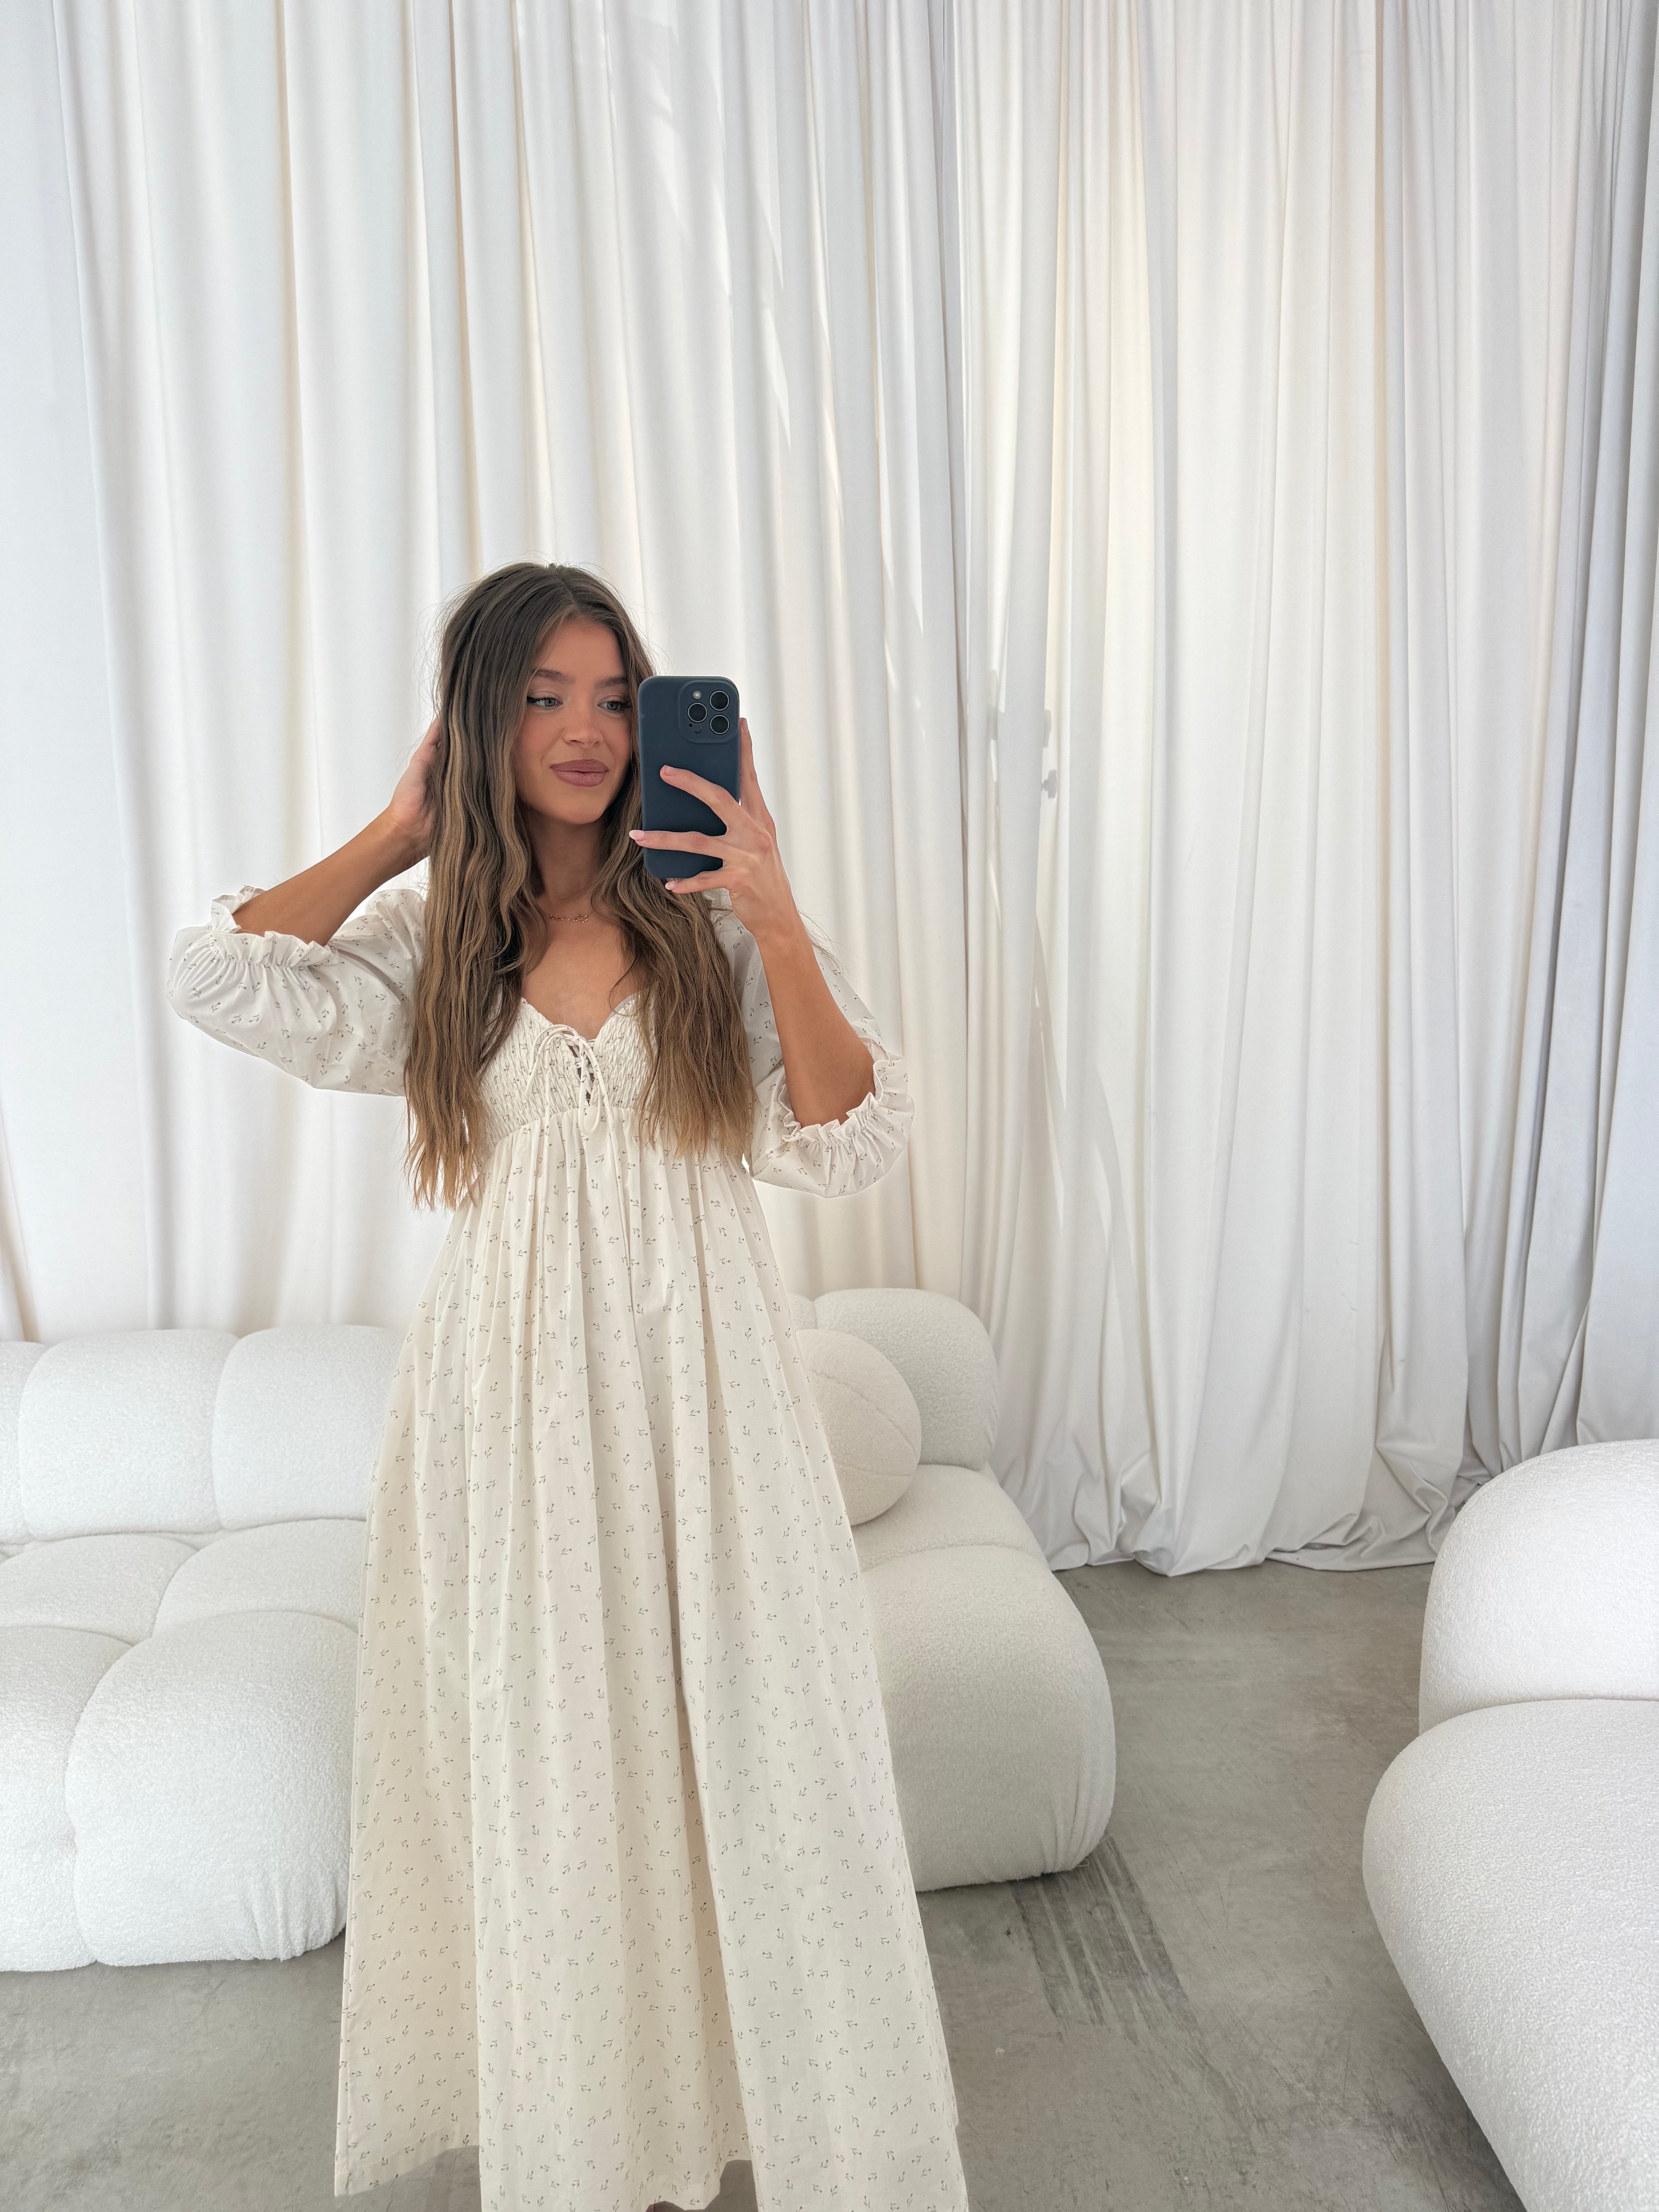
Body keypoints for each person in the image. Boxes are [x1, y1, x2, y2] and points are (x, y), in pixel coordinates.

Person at [163, 562, 970, 2212]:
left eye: (613, 695)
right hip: (510, 1411)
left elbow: (849, 1141)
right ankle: (603, 2155)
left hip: (714, 1401)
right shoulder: (434, 944)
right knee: (559, 1782)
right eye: (542, 697)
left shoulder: (709, 926)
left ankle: (808, 2138)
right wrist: (398, 835)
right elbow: (214, 976)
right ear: (482, 721)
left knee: (773, 1760)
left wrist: (775, 911)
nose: (587, 729)